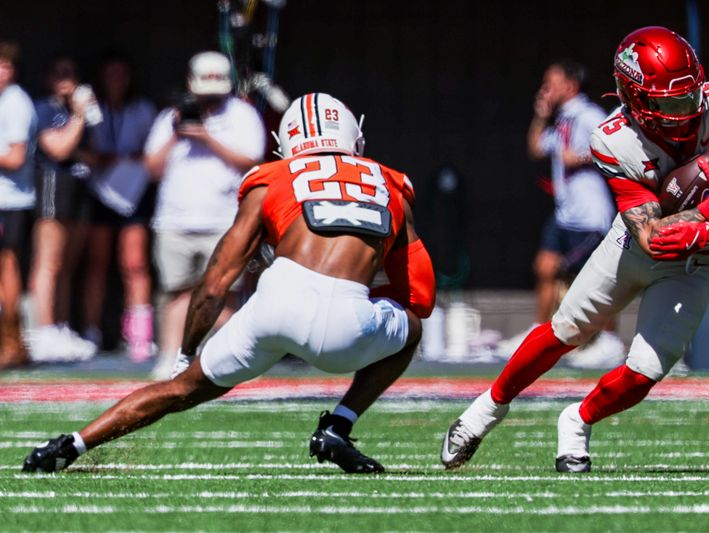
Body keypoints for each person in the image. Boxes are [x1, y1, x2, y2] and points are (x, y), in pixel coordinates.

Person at [22, 92, 435, 475]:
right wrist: (368, 290)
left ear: (287, 142)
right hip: (349, 324)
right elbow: (422, 294)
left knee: (181, 389)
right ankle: (338, 426)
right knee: (411, 328)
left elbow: (217, 281)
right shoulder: (391, 185)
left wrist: (185, 353)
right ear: (354, 137)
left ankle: (70, 445)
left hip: (276, 304)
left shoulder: (272, 177)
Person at [441, 26, 709, 473]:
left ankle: (577, 420)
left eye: (690, 96)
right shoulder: (614, 139)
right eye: (671, 103)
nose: (687, 111)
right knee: (565, 330)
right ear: (635, 99)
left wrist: (703, 229)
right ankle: (483, 410)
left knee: (644, 371)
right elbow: (652, 236)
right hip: (633, 247)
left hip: (698, 261)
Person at [145, 51, 266, 379]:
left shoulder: (243, 115)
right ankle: (170, 357)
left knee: (221, 291)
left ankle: (219, 361)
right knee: (176, 291)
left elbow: (252, 161)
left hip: (224, 221)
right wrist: (177, 132)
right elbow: (151, 168)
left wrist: (207, 138)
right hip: (175, 220)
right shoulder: (171, 117)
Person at [524, 60, 622, 368]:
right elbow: (537, 148)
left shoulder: (588, 114)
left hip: (590, 214)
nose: (545, 89)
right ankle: (536, 334)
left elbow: (612, 146)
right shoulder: (562, 119)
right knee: (545, 267)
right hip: (565, 213)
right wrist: (540, 116)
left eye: (550, 83)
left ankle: (610, 341)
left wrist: (579, 157)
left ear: (570, 85)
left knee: (596, 278)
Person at [82, 52, 157, 359]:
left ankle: (139, 335)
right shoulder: (90, 108)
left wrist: (130, 158)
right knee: (97, 264)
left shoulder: (142, 108)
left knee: (134, 263)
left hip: (133, 191)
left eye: (121, 73)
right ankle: (91, 331)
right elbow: (80, 150)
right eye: (110, 73)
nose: (116, 80)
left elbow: (153, 151)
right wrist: (100, 158)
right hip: (100, 190)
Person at [27, 56, 97, 362]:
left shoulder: (78, 110)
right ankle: (43, 330)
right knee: (49, 261)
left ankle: (61, 326)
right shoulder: (44, 108)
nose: (66, 78)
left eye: (72, 73)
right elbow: (58, 148)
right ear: (48, 78)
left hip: (79, 186)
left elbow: (95, 155)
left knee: (68, 264)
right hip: (52, 183)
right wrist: (79, 117)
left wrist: (85, 114)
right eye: (60, 73)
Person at [0, 42, 37, 369]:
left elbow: (15, 157)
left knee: (8, 269)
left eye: (6, 66)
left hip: (9, 200)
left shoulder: (16, 103)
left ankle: (13, 344)